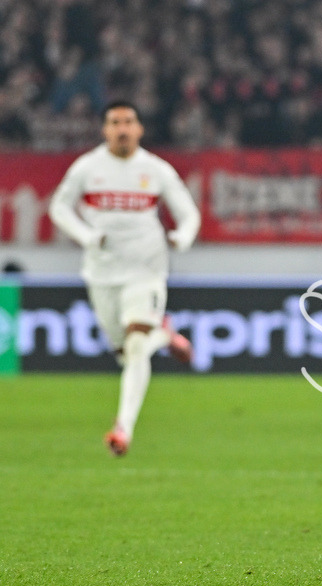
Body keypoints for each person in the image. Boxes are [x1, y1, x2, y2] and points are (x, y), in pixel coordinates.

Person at [49, 100, 200, 457]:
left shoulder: (155, 169)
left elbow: (188, 212)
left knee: (134, 348)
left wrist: (183, 237)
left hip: (146, 269)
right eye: (115, 122)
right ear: (105, 129)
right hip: (102, 272)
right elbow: (58, 206)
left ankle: (123, 429)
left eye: (128, 122)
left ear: (139, 129)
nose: (121, 128)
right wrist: (86, 237)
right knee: (125, 353)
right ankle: (164, 335)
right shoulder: (88, 167)